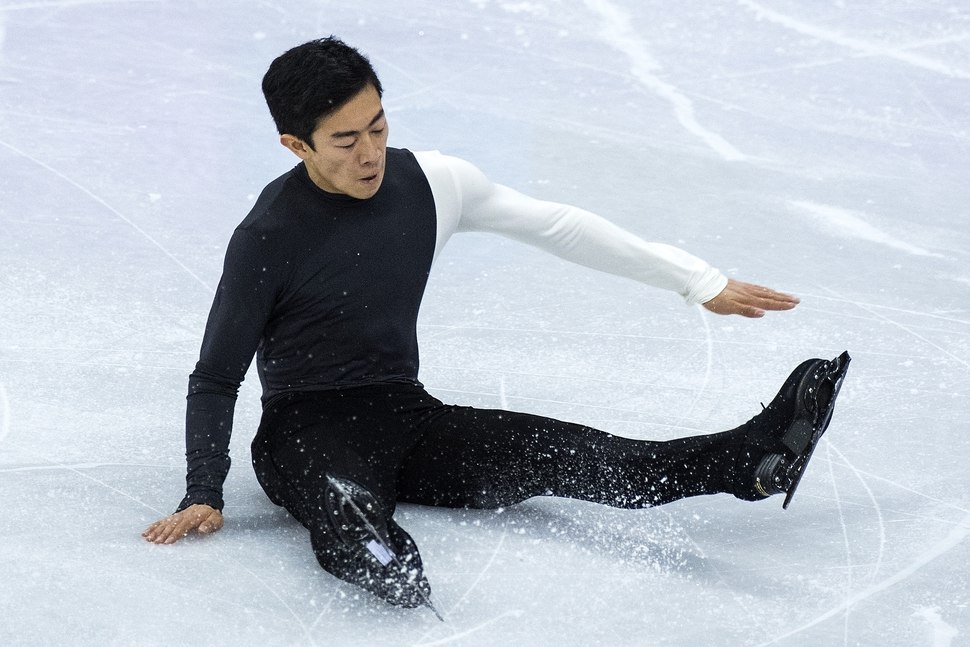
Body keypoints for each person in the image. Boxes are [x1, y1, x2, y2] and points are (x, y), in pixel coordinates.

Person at [142, 37, 850, 612]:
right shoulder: (269, 234)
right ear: (296, 145)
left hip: (409, 417)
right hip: (303, 434)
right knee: (347, 512)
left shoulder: (432, 183)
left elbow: (560, 227)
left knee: (588, 456)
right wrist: (204, 488)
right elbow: (215, 375)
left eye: (379, 126)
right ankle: (381, 561)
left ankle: (751, 461)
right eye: (345, 139)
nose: (370, 154)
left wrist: (697, 281)